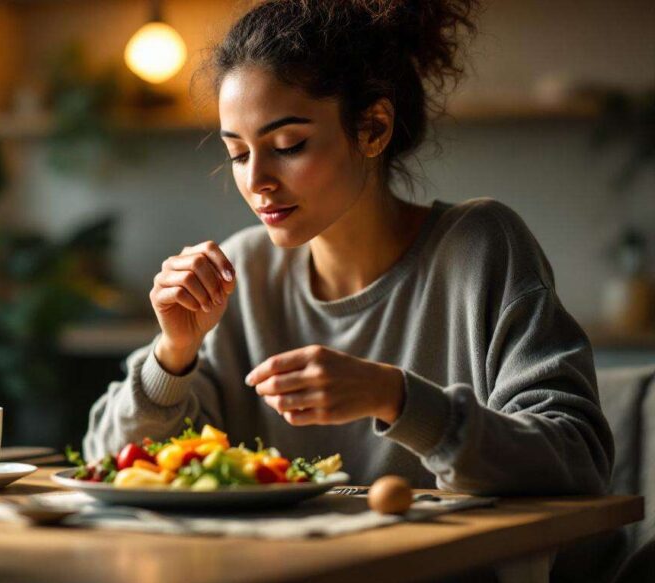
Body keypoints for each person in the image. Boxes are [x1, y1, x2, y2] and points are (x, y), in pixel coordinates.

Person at [83, 0, 613, 496]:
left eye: (288, 146)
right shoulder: (241, 272)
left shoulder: (479, 248)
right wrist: (172, 355)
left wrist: (397, 398)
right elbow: (105, 461)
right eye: (238, 154)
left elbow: (579, 458)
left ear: (373, 128)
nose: (257, 181)